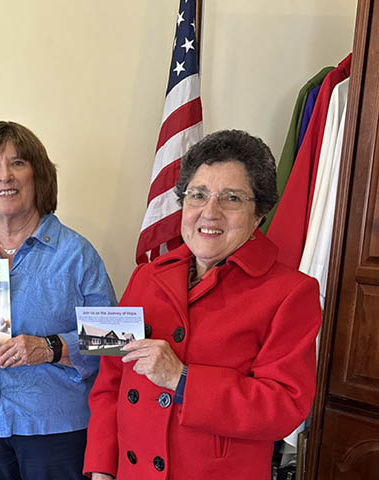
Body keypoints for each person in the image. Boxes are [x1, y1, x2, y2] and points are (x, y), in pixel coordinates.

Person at [83, 130, 321, 479]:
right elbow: (109, 382)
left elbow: (285, 406)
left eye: (231, 198)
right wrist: (101, 467)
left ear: (259, 214)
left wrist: (181, 379)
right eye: (198, 195)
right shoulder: (144, 277)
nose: (210, 212)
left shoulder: (292, 292)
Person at [0, 121, 116, 480]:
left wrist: (51, 346)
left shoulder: (77, 254)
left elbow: (116, 337)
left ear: (38, 176)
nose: (5, 176)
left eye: (18, 163)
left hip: (55, 431)